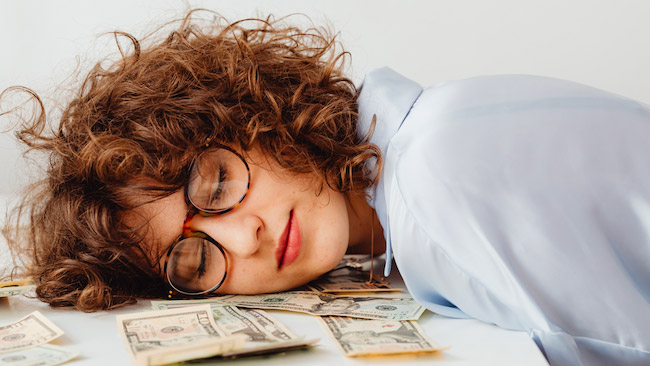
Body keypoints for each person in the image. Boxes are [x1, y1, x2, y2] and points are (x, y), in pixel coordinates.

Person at [1, 10, 649, 366]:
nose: (244, 237)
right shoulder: (415, 168)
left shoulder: (435, 179)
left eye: (217, 181)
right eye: (195, 258)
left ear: (255, 116)